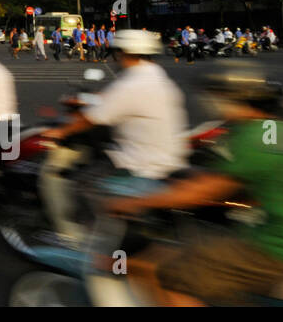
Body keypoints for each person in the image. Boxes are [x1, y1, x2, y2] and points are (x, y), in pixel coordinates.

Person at [108, 64, 283, 306]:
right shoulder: (281, 129)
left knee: (176, 276)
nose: (212, 102)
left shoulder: (252, 136)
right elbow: (267, 181)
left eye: (216, 96)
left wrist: (131, 203)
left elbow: (200, 192)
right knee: (198, 254)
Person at [41, 29, 188, 245]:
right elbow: (113, 99)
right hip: (171, 160)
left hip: (141, 164)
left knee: (77, 183)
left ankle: (77, 240)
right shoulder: (158, 79)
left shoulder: (132, 85)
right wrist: (90, 99)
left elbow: (92, 118)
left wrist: (59, 132)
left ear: (123, 53)